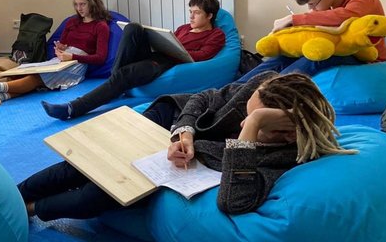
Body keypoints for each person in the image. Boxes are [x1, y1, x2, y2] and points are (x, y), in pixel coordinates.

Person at [18, 72, 355, 221]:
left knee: (100, 191)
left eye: (253, 122)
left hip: (185, 164)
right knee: (85, 163)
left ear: (285, 134)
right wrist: (184, 132)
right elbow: (203, 97)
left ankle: (30, 209)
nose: (243, 121)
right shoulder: (259, 89)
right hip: (173, 119)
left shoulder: (284, 154)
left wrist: (252, 125)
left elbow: (234, 202)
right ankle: (15, 195)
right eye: (247, 114)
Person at [41, 0, 226, 120]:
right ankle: (115, 83)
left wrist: (177, 52)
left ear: (209, 16)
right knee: (133, 27)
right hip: (156, 54)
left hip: (165, 63)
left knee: (124, 75)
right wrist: (160, 40)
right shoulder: (184, 28)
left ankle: (72, 108)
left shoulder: (216, 34)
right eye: (190, 12)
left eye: (196, 13)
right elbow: (170, 42)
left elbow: (202, 55)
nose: (191, 17)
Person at [237, 0, 386, 82]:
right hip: (333, 46)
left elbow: (345, 16)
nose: (312, 10)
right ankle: (233, 90)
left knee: (316, 57)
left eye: (312, 4)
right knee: (284, 56)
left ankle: (268, 91)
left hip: (365, 57)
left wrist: (294, 19)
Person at [0, 0, 111, 106]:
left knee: (37, 78)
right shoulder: (72, 22)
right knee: (27, 72)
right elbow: (63, 44)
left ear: (92, 3)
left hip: (77, 65)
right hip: (62, 60)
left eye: (83, 4)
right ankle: (0, 97)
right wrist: (60, 48)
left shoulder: (100, 26)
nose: (79, 8)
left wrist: (73, 56)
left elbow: (100, 58)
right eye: (76, 4)